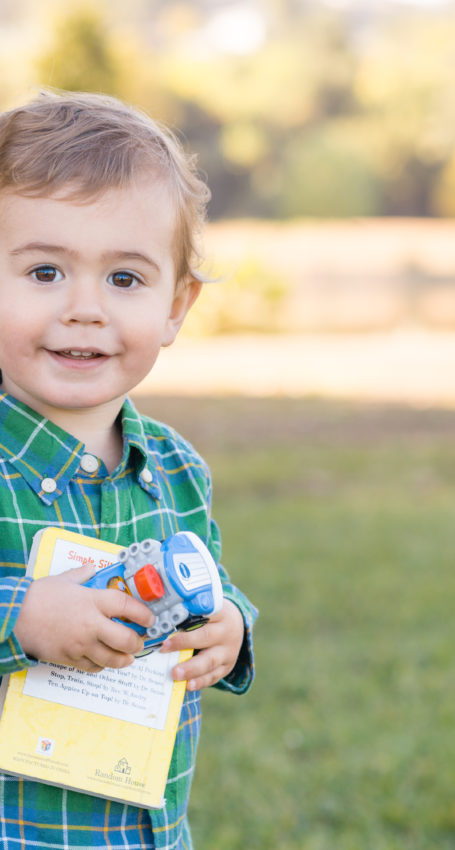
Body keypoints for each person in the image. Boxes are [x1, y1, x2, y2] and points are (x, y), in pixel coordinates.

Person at [0, 90, 257, 848]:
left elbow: (200, 579)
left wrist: (232, 624)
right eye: (45, 273)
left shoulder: (179, 468)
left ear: (177, 305)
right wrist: (19, 615)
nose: (86, 309)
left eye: (124, 280)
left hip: (141, 830)